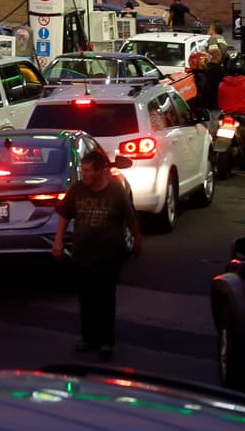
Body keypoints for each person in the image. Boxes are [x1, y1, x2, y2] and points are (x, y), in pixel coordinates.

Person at [51, 150, 142, 362]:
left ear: (100, 171)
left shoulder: (116, 191)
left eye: (88, 171)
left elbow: (130, 217)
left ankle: (106, 340)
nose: (84, 174)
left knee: (105, 297)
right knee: (87, 297)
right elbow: (64, 215)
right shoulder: (78, 189)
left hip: (109, 253)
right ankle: (89, 338)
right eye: (82, 170)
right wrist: (58, 241)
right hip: (83, 252)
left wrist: (137, 241)